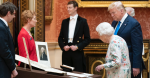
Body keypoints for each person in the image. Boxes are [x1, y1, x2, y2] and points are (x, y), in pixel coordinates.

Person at [108, 1, 145, 78]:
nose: (112, 15)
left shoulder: (133, 23)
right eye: (110, 13)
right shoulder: (114, 23)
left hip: (130, 64)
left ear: (121, 10)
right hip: (117, 64)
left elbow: (137, 47)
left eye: (113, 12)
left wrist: (136, 66)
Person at [58, 1, 91, 72]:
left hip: (77, 52)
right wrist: (63, 46)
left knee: (78, 73)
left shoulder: (83, 21)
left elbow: (87, 39)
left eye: (70, 7)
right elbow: (60, 37)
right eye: (67, 7)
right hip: (66, 52)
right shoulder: (64, 22)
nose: (68, 9)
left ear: (75, 8)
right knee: (66, 73)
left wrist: (77, 46)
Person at [0, 1, 18, 78]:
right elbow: (4, 50)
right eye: (13, 14)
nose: (14, 16)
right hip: (2, 68)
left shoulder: (3, 25)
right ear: (8, 13)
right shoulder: (1, 27)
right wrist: (13, 68)